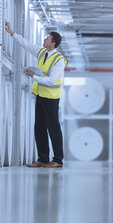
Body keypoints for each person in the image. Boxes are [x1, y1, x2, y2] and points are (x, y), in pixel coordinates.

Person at [5, 21, 67, 168]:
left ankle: (58, 160)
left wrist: (33, 76)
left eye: (47, 38)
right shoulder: (41, 52)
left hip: (51, 98)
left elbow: (52, 81)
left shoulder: (59, 60)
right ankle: (43, 159)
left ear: (53, 43)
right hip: (40, 95)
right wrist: (12, 33)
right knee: (39, 127)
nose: (44, 40)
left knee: (54, 128)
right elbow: (26, 44)